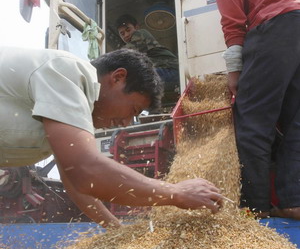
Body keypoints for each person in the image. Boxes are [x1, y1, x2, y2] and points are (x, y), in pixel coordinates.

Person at [0, 46, 223, 228]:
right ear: (118, 78)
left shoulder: (67, 111)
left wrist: (115, 228)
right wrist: (176, 192)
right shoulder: (67, 71)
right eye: (133, 110)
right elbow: (85, 170)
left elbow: (75, 181)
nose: (126, 123)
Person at [185, 0, 300, 219]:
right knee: (294, 123)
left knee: (251, 124)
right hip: (294, 25)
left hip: (272, 27)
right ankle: (293, 201)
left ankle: (254, 211)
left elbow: (232, 20)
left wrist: (234, 72)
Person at [116, 14, 180, 107]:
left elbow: (125, 55)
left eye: (128, 30)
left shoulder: (141, 33)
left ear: (137, 27)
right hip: (166, 71)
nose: (126, 35)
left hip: (170, 70)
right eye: (122, 33)